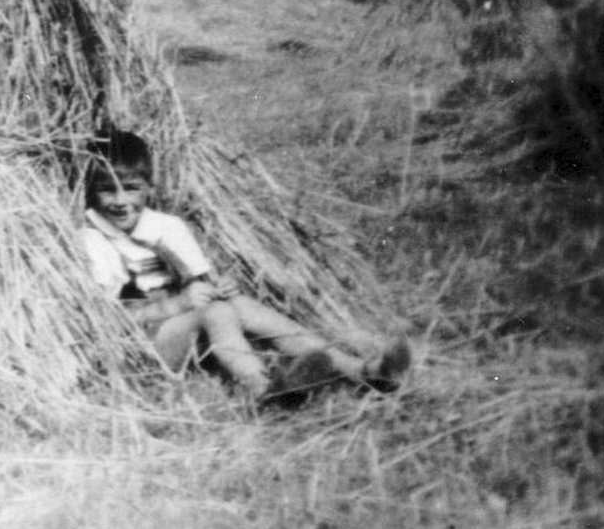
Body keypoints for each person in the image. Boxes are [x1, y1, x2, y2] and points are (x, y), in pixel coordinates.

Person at [77, 129, 412, 404]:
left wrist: (215, 288)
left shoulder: (165, 226)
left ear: (149, 187)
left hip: (180, 324)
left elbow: (197, 277)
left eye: (132, 188)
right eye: (107, 190)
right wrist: (176, 304)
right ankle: (261, 387)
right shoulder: (93, 239)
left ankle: (360, 372)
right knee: (215, 312)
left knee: (240, 306)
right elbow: (107, 321)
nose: (120, 201)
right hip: (142, 343)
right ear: (91, 191)